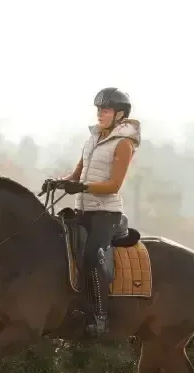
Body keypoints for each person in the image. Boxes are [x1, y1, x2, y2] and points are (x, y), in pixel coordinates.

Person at [41, 87, 139, 335]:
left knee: (93, 255)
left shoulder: (124, 144)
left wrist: (82, 186)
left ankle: (101, 317)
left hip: (106, 213)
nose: (100, 114)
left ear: (119, 115)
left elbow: (114, 186)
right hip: (82, 210)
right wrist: (59, 182)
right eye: (98, 109)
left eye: (105, 110)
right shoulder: (91, 140)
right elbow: (76, 175)